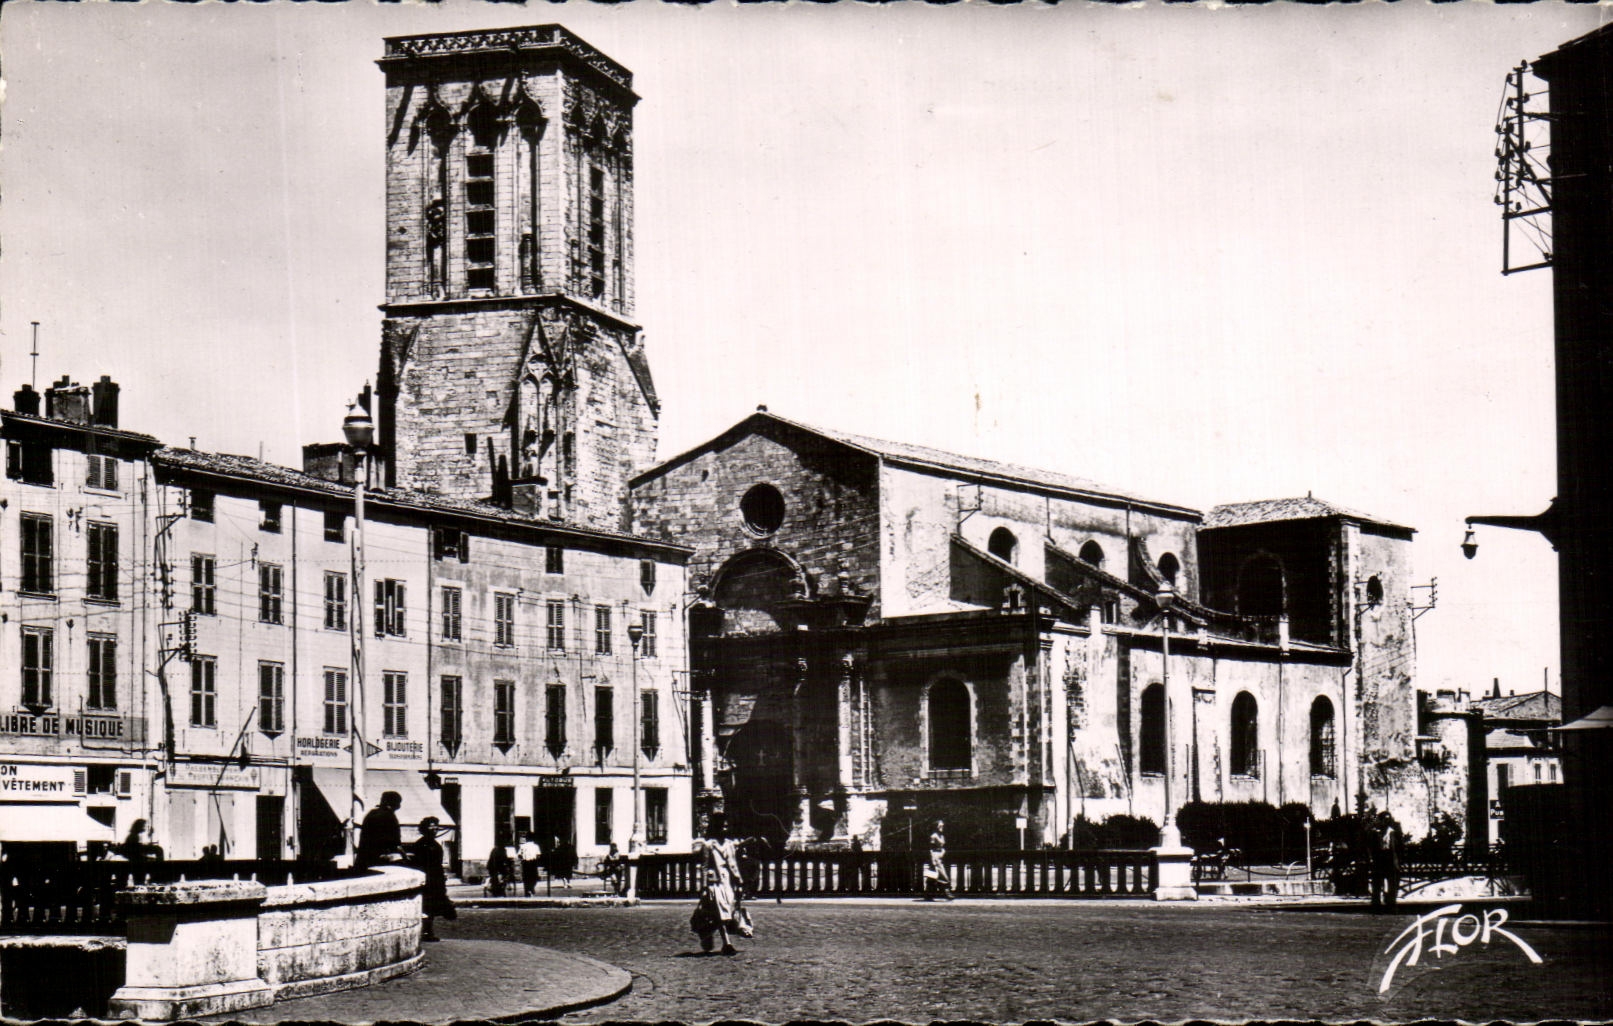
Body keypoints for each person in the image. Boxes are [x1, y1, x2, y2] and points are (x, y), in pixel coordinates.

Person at [689, 818, 753, 955]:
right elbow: (705, 866)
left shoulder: (730, 844)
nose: (725, 829)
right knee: (721, 911)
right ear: (715, 828)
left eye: (726, 826)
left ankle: (707, 933)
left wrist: (739, 882)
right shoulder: (709, 845)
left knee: (729, 910)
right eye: (722, 826)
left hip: (728, 881)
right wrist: (705, 886)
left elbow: (734, 865)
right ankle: (727, 943)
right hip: (715, 881)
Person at [408, 817, 457, 942]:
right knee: (427, 907)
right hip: (427, 879)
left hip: (436, 879)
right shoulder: (421, 844)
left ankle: (428, 931)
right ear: (424, 828)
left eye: (436, 826)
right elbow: (418, 864)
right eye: (431, 826)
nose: (434, 828)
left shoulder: (434, 844)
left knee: (431, 908)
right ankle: (426, 932)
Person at [356, 791, 403, 869]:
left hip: (364, 860)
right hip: (379, 861)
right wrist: (405, 857)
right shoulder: (389, 816)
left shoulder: (372, 813)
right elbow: (396, 844)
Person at [1368, 811, 1403, 910]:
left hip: (1390, 858)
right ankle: (1376, 901)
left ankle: (1391, 901)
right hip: (1379, 858)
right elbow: (1370, 846)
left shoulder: (1393, 832)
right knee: (1377, 881)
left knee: (1392, 881)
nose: (1386, 822)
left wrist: (1398, 859)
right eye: (1384, 819)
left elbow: (1399, 846)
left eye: (1388, 819)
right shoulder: (1375, 833)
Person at [924, 819, 952, 901]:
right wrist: (932, 859)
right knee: (942, 874)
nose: (941, 827)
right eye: (940, 826)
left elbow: (943, 846)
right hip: (935, 856)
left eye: (942, 825)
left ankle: (929, 893)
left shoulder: (942, 836)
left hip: (940, 855)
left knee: (932, 875)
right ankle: (947, 892)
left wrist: (943, 852)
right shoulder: (933, 836)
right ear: (936, 827)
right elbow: (931, 848)